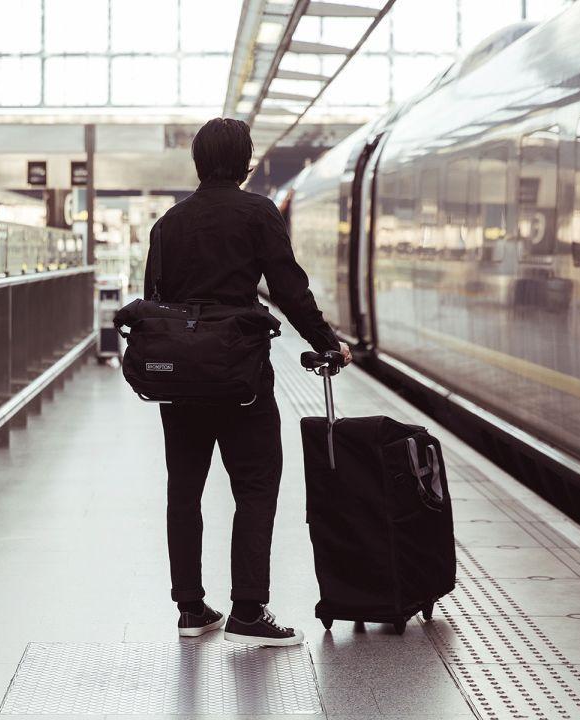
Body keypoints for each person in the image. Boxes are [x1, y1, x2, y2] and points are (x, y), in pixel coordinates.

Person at [145, 117, 351, 647]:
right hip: (242, 379)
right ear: (245, 162)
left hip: (181, 381)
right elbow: (289, 289)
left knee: (184, 491)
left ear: (198, 162)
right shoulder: (257, 213)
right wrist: (326, 342)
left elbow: (155, 302)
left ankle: (191, 609)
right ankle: (248, 611)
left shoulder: (168, 224)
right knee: (256, 487)